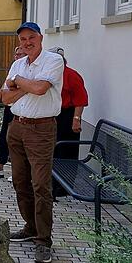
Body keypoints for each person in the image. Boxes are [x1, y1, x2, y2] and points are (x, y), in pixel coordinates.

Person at [2, 22, 64, 263]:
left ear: (40, 37)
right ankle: (30, 226)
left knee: (40, 184)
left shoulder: (53, 61)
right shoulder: (18, 63)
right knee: (20, 181)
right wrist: (24, 86)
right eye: (23, 39)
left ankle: (43, 240)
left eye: (31, 37)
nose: (27, 42)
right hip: (16, 127)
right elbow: (6, 97)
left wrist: (18, 81)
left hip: (41, 129)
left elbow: (40, 89)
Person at [50, 47, 89, 197]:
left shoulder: (71, 75)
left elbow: (80, 99)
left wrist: (76, 119)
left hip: (67, 116)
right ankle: (52, 183)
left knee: (66, 151)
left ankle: (64, 187)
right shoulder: (48, 75)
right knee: (52, 151)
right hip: (52, 115)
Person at [0, 46, 26, 181]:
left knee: (18, 142)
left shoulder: (28, 70)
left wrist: (15, 90)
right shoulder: (14, 67)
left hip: (22, 110)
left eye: (21, 54)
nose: (18, 56)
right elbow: (4, 92)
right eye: (16, 54)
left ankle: (17, 172)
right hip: (9, 107)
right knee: (4, 138)